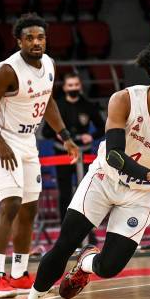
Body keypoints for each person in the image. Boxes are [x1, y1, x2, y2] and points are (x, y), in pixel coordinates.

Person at [10, 40, 150, 299]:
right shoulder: (124, 100)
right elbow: (114, 154)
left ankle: (86, 264)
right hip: (105, 178)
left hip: (143, 195)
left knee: (110, 267)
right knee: (64, 244)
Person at [0, 13, 79, 298]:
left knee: (29, 208)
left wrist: (66, 136)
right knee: (10, 203)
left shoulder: (49, 64)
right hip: (3, 139)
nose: (36, 42)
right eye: (30, 38)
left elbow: (48, 102)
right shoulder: (8, 70)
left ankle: (20, 274)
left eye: (40, 37)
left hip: (27, 140)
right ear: (19, 41)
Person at [42, 72, 105, 235]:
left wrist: (90, 135)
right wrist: (58, 134)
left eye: (76, 85)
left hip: (84, 154)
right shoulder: (57, 106)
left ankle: (87, 229)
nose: (74, 88)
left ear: (80, 86)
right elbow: (45, 132)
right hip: (62, 154)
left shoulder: (88, 105)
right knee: (65, 193)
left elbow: (102, 127)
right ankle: (66, 230)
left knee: (86, 193)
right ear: (64, 87)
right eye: (70, 85)